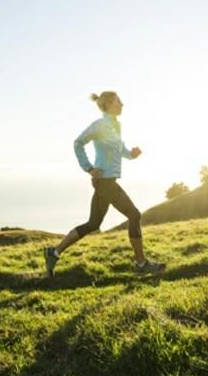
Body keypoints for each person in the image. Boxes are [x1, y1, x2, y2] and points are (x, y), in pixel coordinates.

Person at [43, 91, 166, 276]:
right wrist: (88, 168)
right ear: (108, 104)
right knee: (134, 215)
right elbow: (78, 143)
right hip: (104, 182)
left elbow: (120, 150)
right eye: (119, 101)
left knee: (93, 224)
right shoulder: (99, 125)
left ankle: (53, 252)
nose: (122, 104)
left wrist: (132, 154)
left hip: (106, 182)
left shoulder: (116, 127)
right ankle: (141, 264)